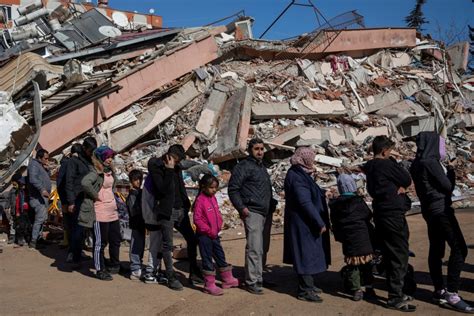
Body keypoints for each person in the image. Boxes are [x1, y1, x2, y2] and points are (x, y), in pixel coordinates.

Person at [410, 132, 472, 313]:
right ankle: (452, 293)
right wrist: (451, 172)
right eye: (441, 144)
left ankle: (439, 289)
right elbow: (447, 186)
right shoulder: (430, 163)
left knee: (436, 248)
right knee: (460, 248)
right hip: (441, 211)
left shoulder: (417, 163)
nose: (442, 148)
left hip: (429, 210)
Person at [363, 135, 416, 312]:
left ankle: (396, 290)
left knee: (389, 251)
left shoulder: (369, 166)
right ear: (385, 151)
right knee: (399, 254)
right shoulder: (386, 164)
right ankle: (395, 296)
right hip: (392, 215)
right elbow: (406, 179)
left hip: (381, 213)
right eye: (390, 151)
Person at [142, 144, 202, 290]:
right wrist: (169, 170)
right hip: (166, 212)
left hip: (180, 210)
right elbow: (162, 189)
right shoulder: (155, 165)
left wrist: (186, 204)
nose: (176, 162)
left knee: (192, 240)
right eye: (175, 159)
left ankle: (194, 272)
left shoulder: (177, 167)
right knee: (168, 245)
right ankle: (171, 277)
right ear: (169, 155)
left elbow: (180, 185)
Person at [283, 147, 330, 303]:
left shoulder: (301, 173)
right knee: (305, 254)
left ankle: (309, 285)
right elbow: (304, 202)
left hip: (305, 222)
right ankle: (305, 290)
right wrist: (318, 221)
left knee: (309, 253)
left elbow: (310, 192)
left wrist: (323, 193)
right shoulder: (297, 176)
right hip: (303, 223)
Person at [228, 138, 275, 295]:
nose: (260, 152)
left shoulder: (261, 166)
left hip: (265, 212)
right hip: (252, 211)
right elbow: (233, 189)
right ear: (250, 150)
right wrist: (242, 208)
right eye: (257, 149)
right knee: (254, 248)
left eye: (262, 149)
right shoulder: (243, 167)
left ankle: (259, 276)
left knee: (263, 248)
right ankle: (252, 281)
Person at [329, 174, 375, 301]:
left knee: (352, 265)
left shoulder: (336, 205)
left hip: (348, 239)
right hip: (363, 237)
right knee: (366, 264)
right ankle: (369, 286)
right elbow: (368, 214)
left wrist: (339, 236)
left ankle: (356, 290)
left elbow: (335, 223)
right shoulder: (358, 201)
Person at [193, 174, 239, 295]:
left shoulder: (212, 198)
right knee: (207, 259)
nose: (214, 190)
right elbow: (197, 220)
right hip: (205, 236)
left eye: (215, 188)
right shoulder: (200, 201)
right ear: (203, 187)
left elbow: (216, 212)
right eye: (212, 188)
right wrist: (209, 230)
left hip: (214, 234)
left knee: (220, 255)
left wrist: (219, 224)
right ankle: (209, 284)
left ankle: (227, 279)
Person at [80, 146, 120, 281]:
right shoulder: (95, 171)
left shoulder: (109, 171)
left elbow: (112, 187)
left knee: (115, 240)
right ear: (101, 157)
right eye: (107, 157)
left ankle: (114, 264)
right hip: (100, 211)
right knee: (100, 243)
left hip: (112, 212)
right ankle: (99, 269)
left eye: (111, 157)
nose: (110, 159)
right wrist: (95, 195)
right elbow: (85, 183)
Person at [64, 137, 97, 267]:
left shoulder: (91, 161)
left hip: (89, 199)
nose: (91, 153)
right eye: (90, 151)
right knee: (78, 229)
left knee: (90, 229)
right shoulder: (74, 161)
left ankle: (94, 258)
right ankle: (76, 257)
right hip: (78, 199)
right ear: (84, 148)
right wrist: (71, 201)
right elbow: (69, 181)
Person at [57, 144, 83, 250]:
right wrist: (66, 201)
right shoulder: (69, 164)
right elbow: (63, 183)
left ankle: (70, 244)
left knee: (71, 222)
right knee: (71, 222)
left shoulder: (67, 163)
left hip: (69, 199)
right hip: (70, 200)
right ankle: (72, 247)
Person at [27, 149, 52, 249]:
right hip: (37, 197)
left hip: (42, 197)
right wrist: (42, 189)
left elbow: (43, 177)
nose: (47, 160)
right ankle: (33, 241)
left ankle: (39, 239)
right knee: (39, 219)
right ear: (39, 157)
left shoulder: (40, 165)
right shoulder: (34, 165)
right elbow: (33, 179)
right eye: (45, 158)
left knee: (42, 220)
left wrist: (47, 169)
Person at [126, 169, 145, 281]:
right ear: (131, 181)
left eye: (140, 179)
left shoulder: (140, 192)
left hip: (141, 224)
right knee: (136, 246)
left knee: (140, 245)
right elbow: (134, 212)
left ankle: (138, 266)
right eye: (135, 180)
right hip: (136, 223)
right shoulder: (132, 195)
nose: (138, 182)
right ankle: (135, 269)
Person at [4, 173, 30, 247]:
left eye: (14, 183)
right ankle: (12, 237)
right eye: (13, 184)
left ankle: (20, 238)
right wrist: (6, 206)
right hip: (13, 210)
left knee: (20, 225)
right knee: (12, 223)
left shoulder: (22, 191)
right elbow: (8, 199)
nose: (13, 185)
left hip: (20, 211)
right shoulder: (12, 190)